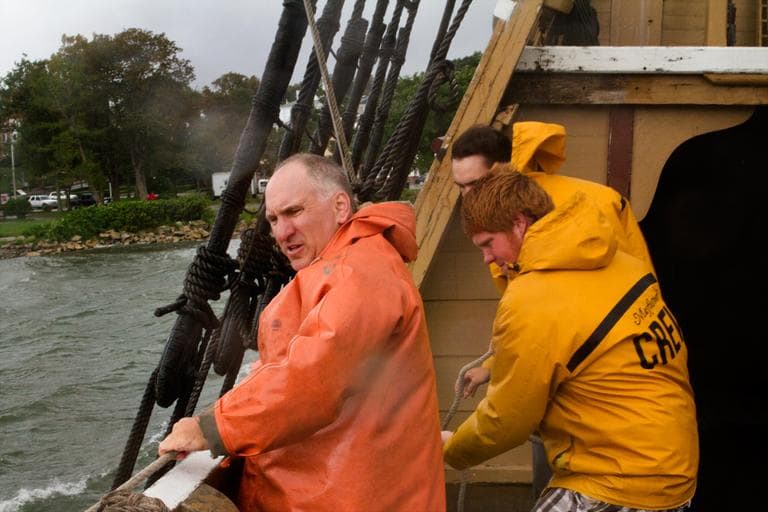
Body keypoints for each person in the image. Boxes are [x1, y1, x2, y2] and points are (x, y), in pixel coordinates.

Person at [158, 153, 446, 511]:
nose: (281, 232)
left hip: (353, 497)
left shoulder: (360, 274)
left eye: (294, 212)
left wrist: (212, 427)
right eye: (274, 219)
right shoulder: (348, 264)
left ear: (341, 206)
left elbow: (313, 377)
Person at [442, 171, 698, 512]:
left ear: (519, 223)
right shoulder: (623, 261)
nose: (487, 258)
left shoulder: (531, 299)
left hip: (617, 479)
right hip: (673, 468)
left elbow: (507, 421)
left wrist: (451, 449)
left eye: (488, 243)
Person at [451, 123, 659, 497]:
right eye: (459, 188)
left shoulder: (587, 207)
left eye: (475, 185)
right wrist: (494, 366)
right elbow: (533, 326)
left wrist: (450, 449)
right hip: (568, 393)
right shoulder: (499, 223)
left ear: (503, 173)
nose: (468, 197)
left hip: (608, 423)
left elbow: (633, 295)